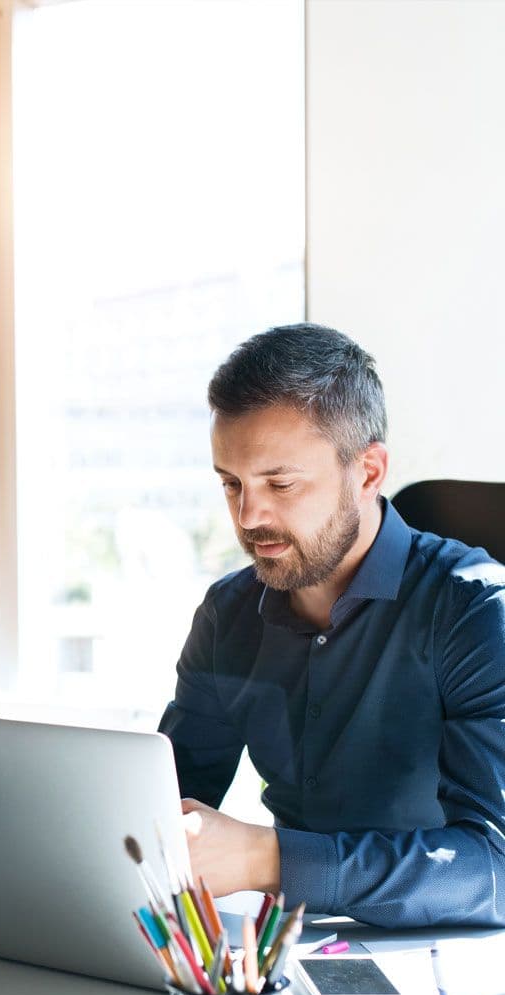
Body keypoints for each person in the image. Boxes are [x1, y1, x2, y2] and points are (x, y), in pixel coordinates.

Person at [159, 322, 505, 928]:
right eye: (231, 483)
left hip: (446, 964)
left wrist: (269, 858)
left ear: (368, 472)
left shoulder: (476, 612)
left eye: (280, 483)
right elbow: (162, 805)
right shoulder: (227, 615)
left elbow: (495, 869)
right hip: (292, 951)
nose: (249, 514)